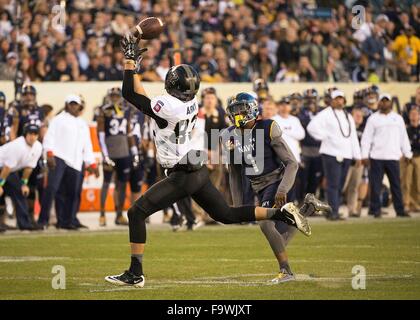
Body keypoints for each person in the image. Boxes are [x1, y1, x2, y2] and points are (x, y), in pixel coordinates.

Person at [105, 34, 311, 288]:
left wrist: (128, 63)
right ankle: (281, 213)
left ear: (172, 85)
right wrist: (135, 69)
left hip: (183, 173)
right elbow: (144, 99)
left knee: (136, 213)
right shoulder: (189, 101)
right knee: (225, 214)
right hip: (197, 168)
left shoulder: (168, 106)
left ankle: (135, 273)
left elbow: (130, 94)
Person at [221, 92, 330, 283]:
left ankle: (286, 271)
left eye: (240, 109)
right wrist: (238, 206)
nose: (237, 114)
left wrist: (282, 189)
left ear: (252, 109)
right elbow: (235, 173)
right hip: (258, 186)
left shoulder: (268, 127)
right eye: (234, 111)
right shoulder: (228, 135)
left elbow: (292, 163)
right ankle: (308, 208)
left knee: (265, 225)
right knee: (281, 236)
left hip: (276, 181)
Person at [38, 95, 99, 229]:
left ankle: (68, 221)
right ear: (66, 105)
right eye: (71, 104)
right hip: (59, 157)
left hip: (76, 161)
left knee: (73, 192)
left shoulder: (83, 123)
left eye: (75, 104)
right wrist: (49, 154)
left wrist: (92, 163)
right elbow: (49, 138)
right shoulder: (58, 119)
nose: (73, 106)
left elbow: (87, 145)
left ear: (79, 106)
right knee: (53, 189)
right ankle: (43, 220)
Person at [308, 90, 362, 220]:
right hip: (330, 153)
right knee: (333, 184)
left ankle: (334, 210)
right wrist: (324, 137)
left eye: (341, 98)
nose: (339, 101)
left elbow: (353, 136)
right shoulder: (325, 114)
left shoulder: (347, 115)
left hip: (347, 154)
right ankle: (333, 212)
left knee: (341, 184)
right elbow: (311, 127)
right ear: (331, 100)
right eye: (336, 99)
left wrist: (357, 155)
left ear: (344, 100)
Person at [361, 93, 412, 218]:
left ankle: (400, 210)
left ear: (390, 103)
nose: (384, 103)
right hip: (376, 156)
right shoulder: (373, 118)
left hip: (393, 156)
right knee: (376, 185)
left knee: (396, 185)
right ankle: (375, 210)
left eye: (387, 101)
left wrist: (407, 152)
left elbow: (403, 137)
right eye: (382, 101)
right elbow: (366, 138)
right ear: (379, 103)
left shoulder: (398, 118)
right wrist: (364, 155)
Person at [96, 87, 137, 226]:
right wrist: (105, 155)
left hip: (124, 153)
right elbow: (100, 135)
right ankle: (102, 214)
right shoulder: (104, 111)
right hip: (111, 152)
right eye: (112, 96)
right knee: (106, 183)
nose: (114, 98)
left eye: (116, 96)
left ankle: (119, 215)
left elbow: (129, 133)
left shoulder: (126, 111)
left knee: (122, 184)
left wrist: (134, 152)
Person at [0, 124, 43, 231]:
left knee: (20, 191)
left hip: (10, 170)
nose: (32, 137)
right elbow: (6, 167)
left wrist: (24, 184)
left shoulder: (38, 146)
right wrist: (0, 184)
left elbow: (29, 168)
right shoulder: (18, 146)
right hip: (4, 168)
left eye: (35, 134)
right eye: (30, 134)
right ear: (25, 134)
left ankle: (24, 224)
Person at [272, 97, 305, 202]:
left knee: (293, 184)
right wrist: (289, 132)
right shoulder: (274, 119)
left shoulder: (295, 119)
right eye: (282, 104)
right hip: (279, 157)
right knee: (280, 185)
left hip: (294, 157)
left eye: (287, 104)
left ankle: (290, 206)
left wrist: (285, 131)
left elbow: (301, 135)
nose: (284, 106)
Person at [400, 106, 420, 212]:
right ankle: (406, 203)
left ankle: (416, 204)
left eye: (415, 114)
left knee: (418, 181)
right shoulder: (406, 129)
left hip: (418, 157)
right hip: (407, 157)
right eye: (411, 114)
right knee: (406, 181)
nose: (413, 116)